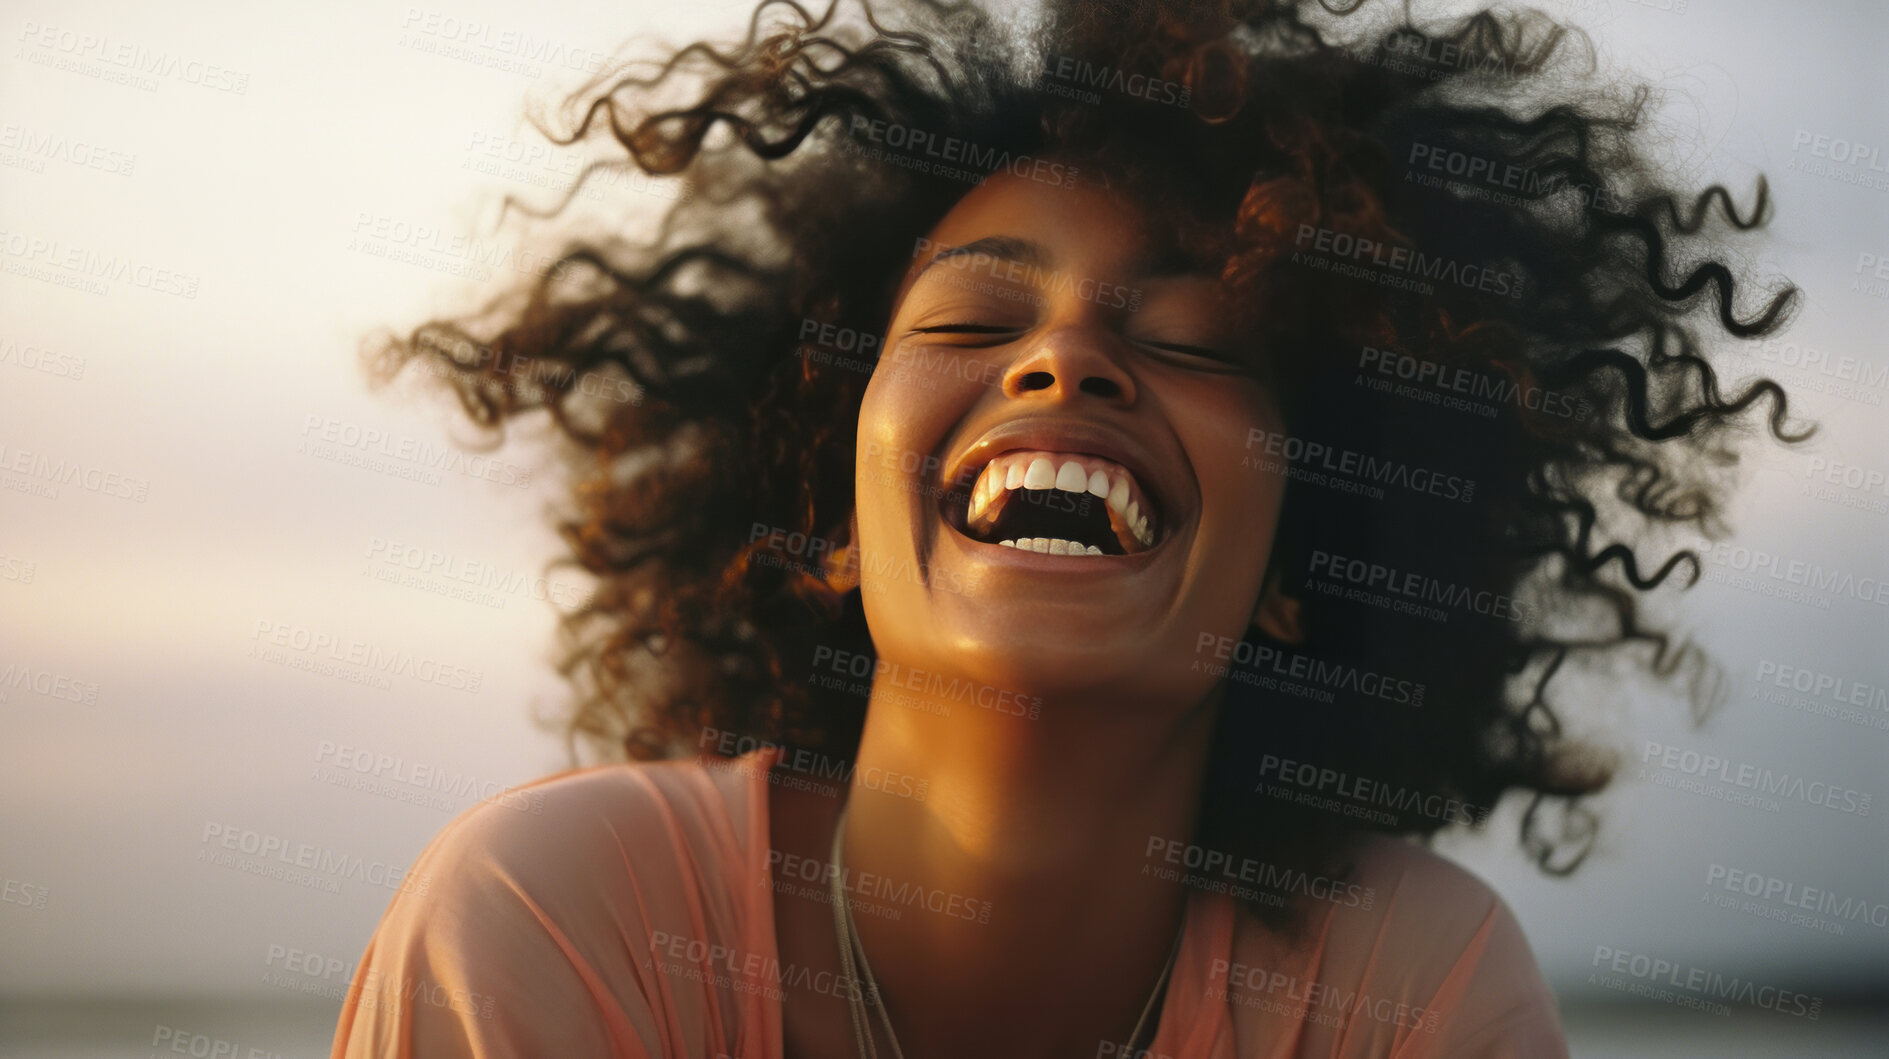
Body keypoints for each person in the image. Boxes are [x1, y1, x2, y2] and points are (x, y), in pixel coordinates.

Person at [329, 1, 1807, 1055]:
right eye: (975, 315)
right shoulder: (557, 921)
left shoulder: (1402, 991)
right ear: (830, 515)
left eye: (1189, 339)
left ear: (1298, 557)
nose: (1063, 362)